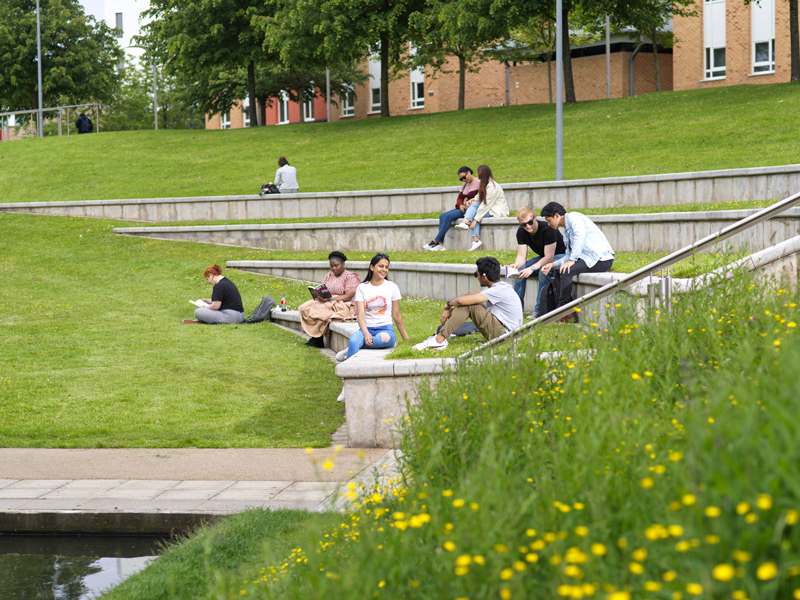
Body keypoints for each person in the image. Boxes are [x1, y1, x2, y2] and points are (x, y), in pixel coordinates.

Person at [412, 257, 523, 351]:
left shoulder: (497, 290)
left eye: (477, 274)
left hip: (506, 337)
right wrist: (450, 308)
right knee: (471, 303)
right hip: (506, 333)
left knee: (470, 306)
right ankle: (440, 337)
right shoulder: (500, 287)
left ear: (484, 277)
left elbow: (462, 301)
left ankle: (439, 340)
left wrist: (448, 305)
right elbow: (468, 296)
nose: (477, 276)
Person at [539, 202, 615, 309]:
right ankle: (558, 307)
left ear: (556, 215)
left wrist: (572, 259)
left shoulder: (574, 217)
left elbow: (580, 234)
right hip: (588, 259)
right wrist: (552, 265)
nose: (548, 224)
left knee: (566, 271)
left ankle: (564, 310)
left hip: (601, 259)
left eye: (548, 220)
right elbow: (568, 256)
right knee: (558, 271)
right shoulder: (567, 232)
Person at [336, 253, 409, 362]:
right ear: (372, 267)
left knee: (381, 340)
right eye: (381, 266)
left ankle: (355, 347)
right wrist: (366, 333)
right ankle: (350, 366)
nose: (384, 269)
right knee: (353, 341)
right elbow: (360, 316)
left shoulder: (392, 287)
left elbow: (396, 315)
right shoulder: (362, 287)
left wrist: (406, 339)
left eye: (386, 267)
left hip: (386, 330)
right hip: (366, 328)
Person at [508, 206, 567, 318]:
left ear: (535, 217)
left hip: (560, 256)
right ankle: (516, 311)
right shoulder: (521, 232)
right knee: (519, 271)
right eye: (524, 224)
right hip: (544, 257)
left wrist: (532, 268)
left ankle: (539, 311)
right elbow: (521, 256)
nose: (528, 227)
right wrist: (516, 265)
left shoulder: (548, 229)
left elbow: (549, 258)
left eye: (530, 222)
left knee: (543, 270)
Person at [299, 251, 361, 348]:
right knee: (305, 306)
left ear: (343, 264)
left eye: (336, 266)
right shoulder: (329, 276)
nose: (333, 268)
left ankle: (317, 339)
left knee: (320, 311)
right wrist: (319, 295)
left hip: (344, 304)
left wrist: (331, 299)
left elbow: (348, 296)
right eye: (331, 266)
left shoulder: (350, 277)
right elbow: (323, 288)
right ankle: (315, 336)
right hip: (328, 301)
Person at [422, 166, 480, 252]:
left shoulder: (478, 182)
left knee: (448, 217)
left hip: (471, 210)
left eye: (464, 177)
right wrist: (460, 205)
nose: (463, 180)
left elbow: (479, 198)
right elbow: (459, 198)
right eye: (461, 179)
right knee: (442, 216)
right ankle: (440, 244)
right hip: (463, 208)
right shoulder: (464, 185)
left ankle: (436, 241)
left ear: (469, 172)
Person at [454, 164, 509, 251]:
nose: (476, 174)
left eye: (478, 172)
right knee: (474, 204)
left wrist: (475, 220)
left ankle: (468, 226)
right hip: (488, 208)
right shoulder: (485, 183)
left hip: (496, 211)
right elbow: (479, 197)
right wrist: (471, 200)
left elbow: (486, 205)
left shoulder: (492, 186)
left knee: (475, 212)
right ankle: (474, 238)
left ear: (483, 174)